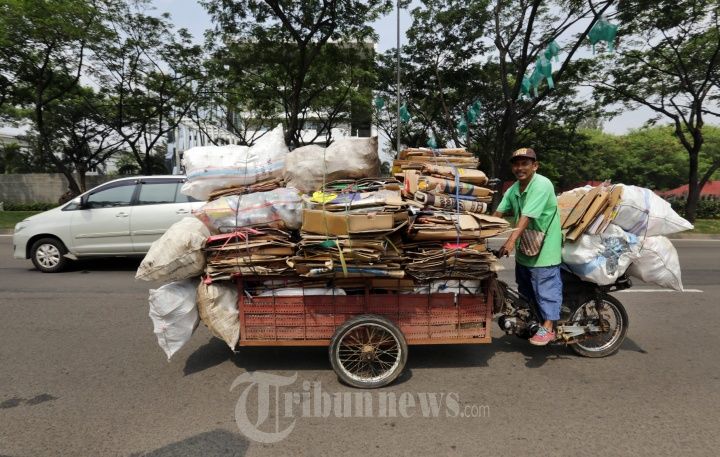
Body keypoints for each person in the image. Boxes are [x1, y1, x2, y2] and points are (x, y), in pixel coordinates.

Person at [493, 147, 562, 346]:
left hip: (545, 248)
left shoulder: (541, 184)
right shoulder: (513, 189)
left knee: (544, 288)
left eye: (525, 163)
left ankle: (548, 327)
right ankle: (533, 321)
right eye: (516, 164)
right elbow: (497, 215)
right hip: (527, 247)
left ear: (535, 166)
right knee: (525, 291)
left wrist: (509, 242)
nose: (520, 168)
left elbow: (527, 216)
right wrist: (478, 233)